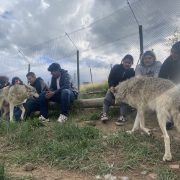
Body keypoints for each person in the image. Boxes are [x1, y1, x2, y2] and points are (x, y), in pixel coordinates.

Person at [101, 54, 135, 126]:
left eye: (129, 63)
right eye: (125, 62)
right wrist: (111, 87)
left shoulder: (132, 72)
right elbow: (111, 79)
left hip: (125, 91)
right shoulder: (116, 67)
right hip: (115, 88)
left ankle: (122, 116)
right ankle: (104, 114)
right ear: (122, 61)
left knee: (125, 98)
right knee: (108, 94)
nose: (127, 64)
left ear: (131, 63)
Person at [159, 41, 180, 129]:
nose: (173, 54)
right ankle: (167, 121)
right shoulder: (168, 60)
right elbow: (161, 76)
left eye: (176, 53)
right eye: (172, 52)